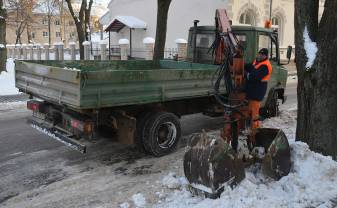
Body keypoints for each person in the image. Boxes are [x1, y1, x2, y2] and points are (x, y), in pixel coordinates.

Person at [244, 48, 272, 135]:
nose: (260, 56)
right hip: (251, 91)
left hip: (257, 92)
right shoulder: (256, 62)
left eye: (262, 55)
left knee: (254, 114)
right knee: (248, 112)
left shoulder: (265, 66)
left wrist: (247, 75)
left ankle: (255, 133)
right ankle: (249, 129)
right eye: (259, 54)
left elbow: (254, 77)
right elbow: (249, 67)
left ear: (266, 56)